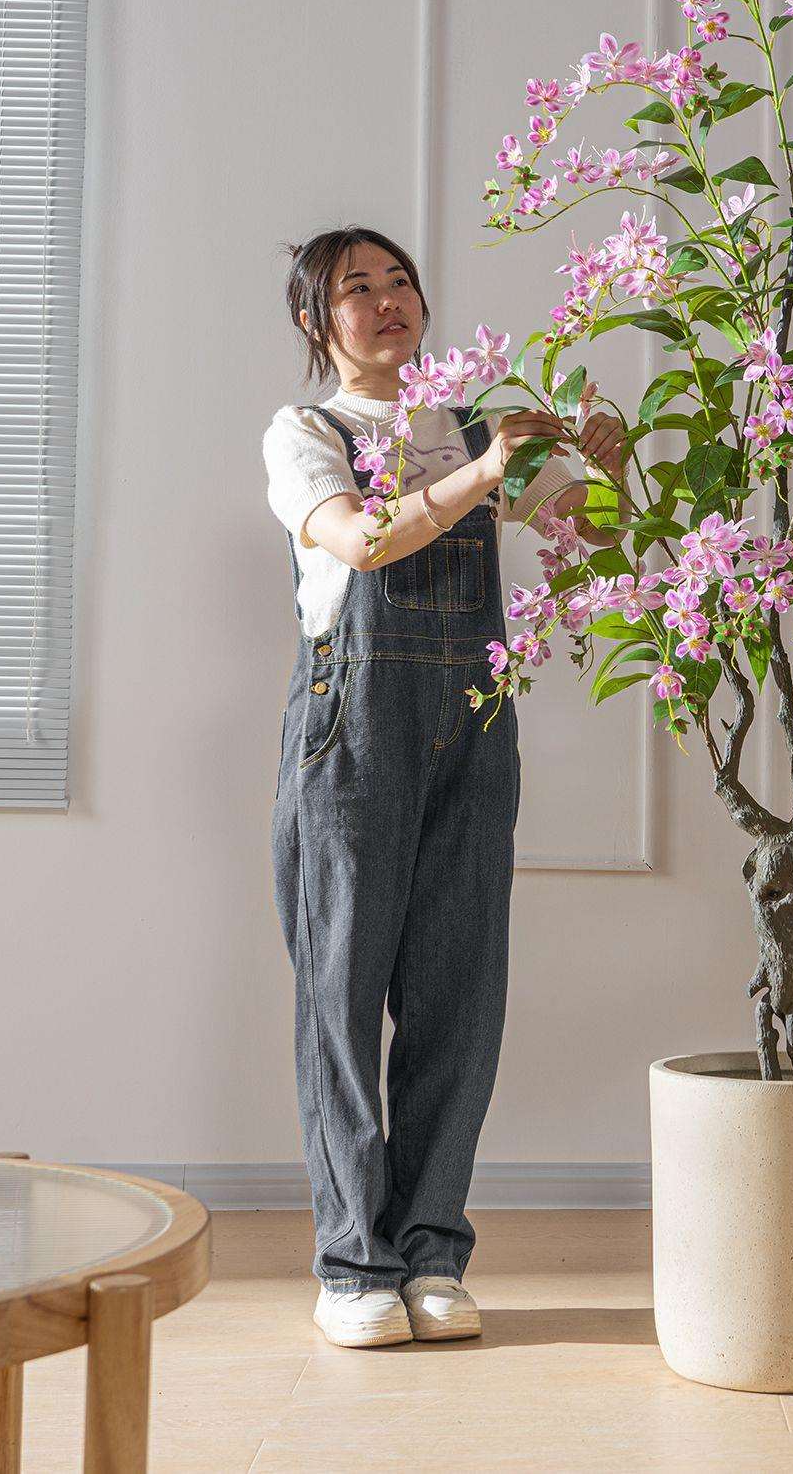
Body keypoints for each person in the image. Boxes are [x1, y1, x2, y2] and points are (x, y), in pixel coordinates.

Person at [262, 225, 625, 1348]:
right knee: (341, 995)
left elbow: (595, 538)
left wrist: (609, 469)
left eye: (398, 280)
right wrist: (484, 473)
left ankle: (429, 1253)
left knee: (456, 998)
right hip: (350, 732)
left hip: (473, 725)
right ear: (319, 325)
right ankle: (350, 1263)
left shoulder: (469, 427)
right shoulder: (305, 432)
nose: (385, 300)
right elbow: (358, 542)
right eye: (353, 289)